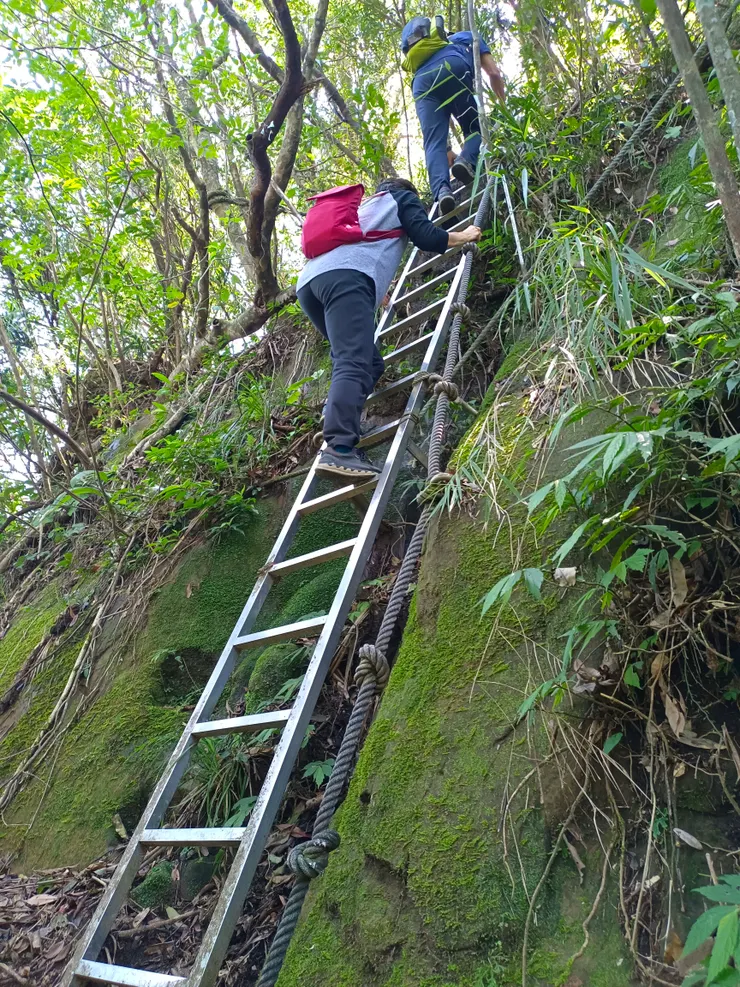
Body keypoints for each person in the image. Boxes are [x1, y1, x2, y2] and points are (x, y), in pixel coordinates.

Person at [297, 177, 481, 481]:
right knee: (353, 361)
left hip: (310, 285)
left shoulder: (366, 206)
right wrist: (464, 235)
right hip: (346, 278)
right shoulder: (400, 198)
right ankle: (339, 449)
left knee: (368, 362)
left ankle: (336, 410)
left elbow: (362, 243)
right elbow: (426, 237)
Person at [401, 16, 505, 215]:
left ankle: (441, 191)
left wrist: (447, 147)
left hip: (421, 82)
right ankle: (465, 161)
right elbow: (494, 74)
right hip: (453, 63)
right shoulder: (467, 37)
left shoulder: (420, 59)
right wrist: (503, 107)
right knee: (476, 127)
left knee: (433, 143)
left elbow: (440, 113)